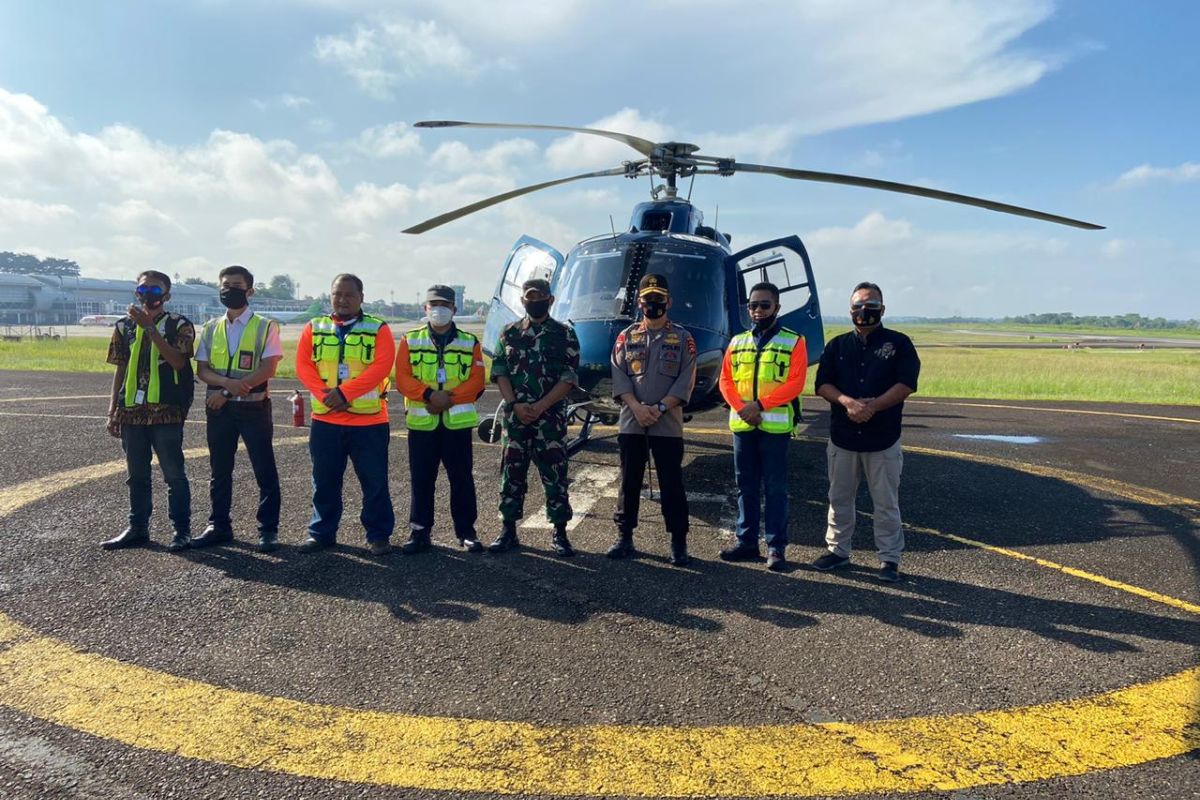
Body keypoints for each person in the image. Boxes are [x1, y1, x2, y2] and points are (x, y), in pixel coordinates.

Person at [813, 281, 920, 582]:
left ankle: (889, 559)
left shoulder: (899, 344)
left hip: (882, 438)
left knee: (885, 503)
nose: (864, 311)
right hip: (843, 437)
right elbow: (822, 384)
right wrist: (848, 403)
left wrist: (872, 407)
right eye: (859, 306)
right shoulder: (837, 346)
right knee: (839, 498)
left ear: (882, 309)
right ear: (850, 310)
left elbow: (906, 383)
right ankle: (837, 551)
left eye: (871, 306)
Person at [295, 274, 396, 555]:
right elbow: (303, 365)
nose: (343, 299)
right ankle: (321, 533)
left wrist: (345, 393)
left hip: (369, 422)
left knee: (374, 482)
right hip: (325, 421)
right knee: (324, 481)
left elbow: (381, 367)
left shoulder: (378, 329)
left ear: (361, 297)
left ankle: (378, 535)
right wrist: (326, 394)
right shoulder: (315, 327)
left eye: (349, 295)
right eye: (337, 294)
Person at [101, 270, 195, 552]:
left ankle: (181, 530)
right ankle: (137, 527)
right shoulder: (124, 326)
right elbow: (121, 368)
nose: (148, 295)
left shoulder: (179, 325)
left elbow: (179, 362)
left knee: (173, 474)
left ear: (166, 295)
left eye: (155, 291)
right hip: (132, 412)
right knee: (136, 474)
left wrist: (150, 329)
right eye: (143, 290)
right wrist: (112, 410)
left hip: (166, 411)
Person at [192, 265, 283, 553]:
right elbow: (202, 370)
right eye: (225, 285)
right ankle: (218, 525)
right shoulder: (210, 328)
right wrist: (225, 386)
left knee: (264, 469)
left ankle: (267, 529)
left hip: (253, 409)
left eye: (236, 285)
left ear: (250, 291)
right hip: (219, 410)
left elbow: (267, 368)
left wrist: (226, 390)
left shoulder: (265, 326)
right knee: (219, 470)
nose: (229, 290)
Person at [717, 282, 807, 571]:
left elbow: (795, 382)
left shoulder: (794, 341)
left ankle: (776, 547)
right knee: (745, 486)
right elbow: (725, 380)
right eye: (753, 305)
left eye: (764, 305)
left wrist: (760, 405)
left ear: (777, 308)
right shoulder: (736, 341)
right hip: (743, 425)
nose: (757, 311)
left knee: (776, 488)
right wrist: (743, 408)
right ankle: (746, 543)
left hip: (774, 428)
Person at [608, 273, 697, 565]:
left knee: (672, 483)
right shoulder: (626, 337)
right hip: (632, 421)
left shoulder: (683, 339)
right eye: (648, 300)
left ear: (668, 302)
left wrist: (658, 408)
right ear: (639, 302)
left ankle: (678, 542)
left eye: (659, 299)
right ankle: (624, 537)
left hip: (667, 424)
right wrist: (636, 407)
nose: (653, 304)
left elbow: (686, 380)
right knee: (629, 481)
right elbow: (619, 375)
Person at [488, 278, 580, 556]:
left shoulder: (565, 335)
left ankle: (560, 533)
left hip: (549, 418)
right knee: (511, 473)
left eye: (539, 295)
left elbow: (569, 377)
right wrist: (515, 404)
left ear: (550, 300)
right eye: (529, 296)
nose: (533, 300)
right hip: (516, 418)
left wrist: (541, 405)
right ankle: (508, 531)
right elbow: (500, 372)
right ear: (523, 300)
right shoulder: (509, 333)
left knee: (555, 475)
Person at [394, 285, 486, 554]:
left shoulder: (470, 341)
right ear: (425, 308)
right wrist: (429, 395)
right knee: (422, 479)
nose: (439, 309)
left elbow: (477, 381)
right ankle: (419, 531)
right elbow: (402, 377)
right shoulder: (410, 339)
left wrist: (449, 399)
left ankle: (466, 531)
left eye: (445, 305)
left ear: (454, 309)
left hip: (456, 425)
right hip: (423, 424)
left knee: (462, 480)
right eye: (433, 304)